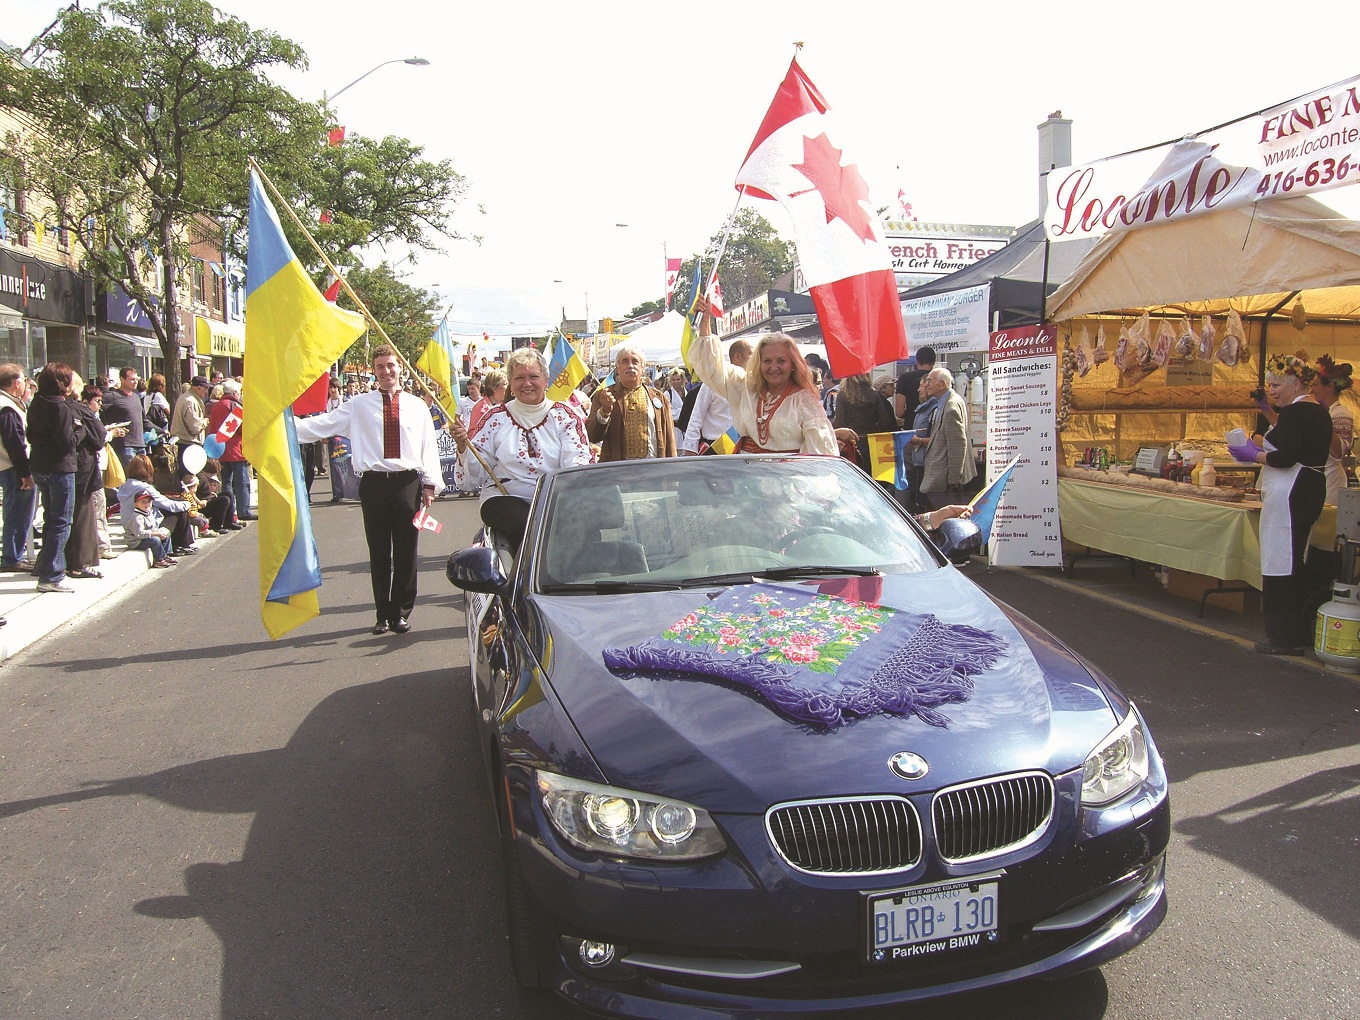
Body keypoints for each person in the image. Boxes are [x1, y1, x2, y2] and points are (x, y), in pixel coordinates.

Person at [295, 345, 443, 636]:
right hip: (374, 483)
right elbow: (322, 425)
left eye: (391, 365)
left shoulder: (417, 406)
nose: (386, 371)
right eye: (380, 367)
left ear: (400, 367)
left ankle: (401, 611)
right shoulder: (359, 405)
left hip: (407, 482)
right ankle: (382, 614)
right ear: (374, 371)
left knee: (405, 551)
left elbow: (429, 447)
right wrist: (286, 426)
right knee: (378, 551)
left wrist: (429, 484)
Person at [1227, 354, 1333, 655]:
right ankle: (1294, 631)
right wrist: (1267, 412)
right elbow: (1291, 442)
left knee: (1282, 558)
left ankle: (1284, 635)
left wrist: (1252, 455)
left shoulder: (1298, 413)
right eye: (1269, 386)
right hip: (1306, 489)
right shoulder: (1313, 410)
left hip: (1294, 491)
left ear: (1296, 383)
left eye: (1276, 385)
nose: (1271, 391)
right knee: (1292, 556)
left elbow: (1285, 456)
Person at [449, 346, 592, 543]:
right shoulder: (495, 419)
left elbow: (576, 464)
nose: (527, 384)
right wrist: (463, 447)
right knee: (528, 526)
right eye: (519, 378)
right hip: (505, 499)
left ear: (545, 380)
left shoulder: (565, 416)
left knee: (583, 527)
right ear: (510, 383)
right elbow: (472, 477)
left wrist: (561, 500)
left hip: (554, 499)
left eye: (533, 377)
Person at [690, 312, 837, 455]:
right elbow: (713, 369)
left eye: (781, 361)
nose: (774, 367)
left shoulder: (805, 400)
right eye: (767, 361)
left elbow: (820, 453)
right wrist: (705, 324)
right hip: (748, 474)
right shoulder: (746, 388)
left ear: (793, 364)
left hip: (787, 476)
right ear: (759, 364)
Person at [26, 363, 82, 593]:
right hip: (60, 468)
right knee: (61, 522)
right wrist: (80, 430)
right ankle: (52, 574)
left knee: (51, 519)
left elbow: (30, 434)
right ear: (63, 383)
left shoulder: (37, 402)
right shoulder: (61, 408)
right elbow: (67, 443)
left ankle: (45, 566)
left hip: (40, 465)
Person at [587, 345, 677, 461]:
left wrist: (672, 468)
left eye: (635, 362)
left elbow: (669, 438)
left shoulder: (659, 397)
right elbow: (592, 436)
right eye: (625, 362)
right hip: (619, 472)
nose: (630, 366)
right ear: (618, 368)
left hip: (653, 469)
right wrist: (604, 412)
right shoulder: (605, 395)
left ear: (643, 367)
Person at [66, 382, 113, 579]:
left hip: (57, 467)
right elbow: (99, 436)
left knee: (60, 517)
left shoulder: (43, 406)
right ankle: (79, 563)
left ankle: (61, 562)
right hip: (80, 468)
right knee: (83, 514)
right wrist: (82, 431)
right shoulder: (77, 409)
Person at [918, 365, 977, 509]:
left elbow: (957, 445)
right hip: (943, 479)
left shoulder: (950, 407)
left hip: (944, 482)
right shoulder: (949, 401)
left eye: (930, 381)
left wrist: (954, 481)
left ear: (942, 384)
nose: (926, 384)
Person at [681, 340, 753, 455]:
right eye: (751, 354)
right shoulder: (712, 383)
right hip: (715, 449)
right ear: (738, 356)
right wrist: (690, 449)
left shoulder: (752, 383)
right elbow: (696, 417)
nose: (755, 359)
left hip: (743, 449)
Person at [119, 454, 196, 555]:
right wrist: (188, 504)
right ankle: (180, 545)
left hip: (129, 525)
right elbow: (168, 505)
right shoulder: (144, 488)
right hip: (142, 526)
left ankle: (181, 545)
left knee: (177, 503)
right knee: (180, 510)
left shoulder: (124, 487)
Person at [0, 363, 37, 572]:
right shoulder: (7, 407)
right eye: (23, 380)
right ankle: (12, 557)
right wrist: (25, 473)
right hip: (14, 468)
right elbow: (14, 442)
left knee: (17, 512)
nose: (25, 384)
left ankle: (14, 555)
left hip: (10, 466)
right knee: (18, 513)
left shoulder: (9, 404)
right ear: (16, 383)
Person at [1311, 354, 1354, 504]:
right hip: (1314, 482)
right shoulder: (1315, 411)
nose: (1311, 389)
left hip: (1330, 483)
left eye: (1315, 385)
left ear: (1329, 386)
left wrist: (1324, 420)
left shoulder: (1341, 414)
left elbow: (1338, 452)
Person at [833, 373, 897, 471]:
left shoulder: (842, 395)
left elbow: (839, 422)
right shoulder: (874, 395)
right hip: (871, 442)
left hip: (851, 444)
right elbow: (885, 422)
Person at [208, 378, 252, 520]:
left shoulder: (216, 406)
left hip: (220, 449)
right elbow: (242, 429)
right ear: (234, 392)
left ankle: (229, 514)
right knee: (241, 483)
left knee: (226, 483)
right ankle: (243, 510)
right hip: (235, 450)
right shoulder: (234, 406)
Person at [908, 376, 942, 513]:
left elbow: (938, 438)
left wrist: (919, 440)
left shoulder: (935, 409)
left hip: (927, 463)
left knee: (924, 505)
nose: (918, 389)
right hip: (919, 462)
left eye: (921, 386)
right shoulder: (923, 408)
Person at [101, 366, 147, 468]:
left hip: (140, 444)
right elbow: (96, 403)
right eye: (132, 379)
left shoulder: (136, 397)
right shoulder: (112, 396)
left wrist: (163, 430)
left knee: (142, 476)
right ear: (122, 379)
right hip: (125, 445)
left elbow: (144, 420)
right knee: (130, 477)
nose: (135, 382)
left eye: (136, 379)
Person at [124, 489, 176, 568]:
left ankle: (165, 555)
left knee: (165, 532)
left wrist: (159, 531)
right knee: (155, 540)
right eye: (143, 502)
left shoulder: (149, 513)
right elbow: (139, 534)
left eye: (149, 501)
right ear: (136, 505)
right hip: (136, 541)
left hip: (145, 537)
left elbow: (153, 527)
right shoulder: (137, 517)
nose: (147, 504)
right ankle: (158, 560)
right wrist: (155, 534)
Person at [170, 375, 210, 469]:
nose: (206, 391)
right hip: (188, 444)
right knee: (190, 476)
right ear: (199, 388)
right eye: (205, 388)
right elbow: (195, 428)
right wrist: (204, 421)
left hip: (184, 443)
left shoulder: (184, 397)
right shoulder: (191, 401)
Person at [895, 346, 937, 426]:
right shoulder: (938, 379)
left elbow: (899, 412)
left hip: (911, 425)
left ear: (917, 361)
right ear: (934, 362)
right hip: (933, 427)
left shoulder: (904, 378)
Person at [467, 369, 507, 435]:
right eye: (505, 384)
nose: (508, 387)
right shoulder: (481, 409)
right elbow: (473, 435)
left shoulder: (509, 405)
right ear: (494, 388)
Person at [665, 368, 690, 449]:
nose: (676, 382)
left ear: (682, 379)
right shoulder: (667, 394)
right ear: (670, 381)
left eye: (678, 379)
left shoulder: (687, 392)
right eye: (673, 380)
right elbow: (666, 412)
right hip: (675, 429)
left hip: (686, 429)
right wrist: (681, 413)